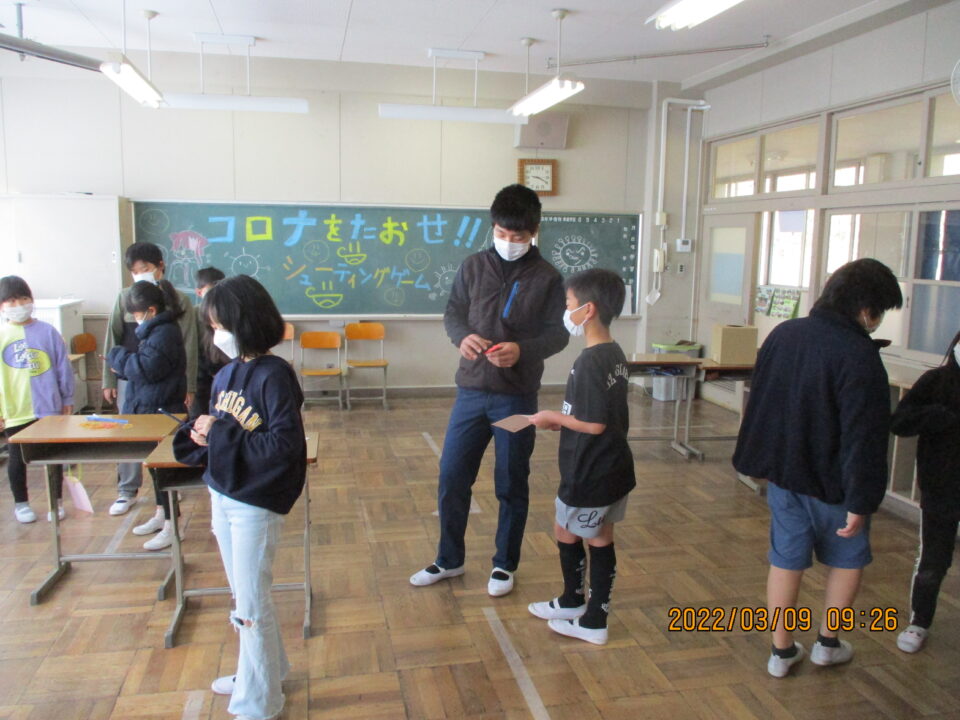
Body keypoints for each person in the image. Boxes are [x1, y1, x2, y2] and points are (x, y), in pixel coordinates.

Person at [733, 258, 903, 678]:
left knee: (785, 560)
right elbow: (865, 437)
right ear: (866, 309)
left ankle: (781, 651)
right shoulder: (860, 355)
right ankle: (828, 644)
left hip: (786, 478)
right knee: (847, 560)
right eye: (880, 312)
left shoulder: (784, 334)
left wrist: (757, 462)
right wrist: (862, 500)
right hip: (838, 487)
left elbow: (762, 404)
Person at [410, 184, 569, 597]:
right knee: (452, 476)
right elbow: (453, 313)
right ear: (493, 227)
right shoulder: (473, 266)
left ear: (534, 231)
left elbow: (558, 334)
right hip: (470, 394)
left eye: (518, 236)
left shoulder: (548, 277)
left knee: (511, 480)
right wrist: (461, 337)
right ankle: (449, 559)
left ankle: (504, 564)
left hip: (515, 398)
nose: (509, 242)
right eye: (501, 233)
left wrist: (523, 351)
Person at [173, 275, 305, 720]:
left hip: (256, 502)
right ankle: (262, 670)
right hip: (223, 493)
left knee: (251, 603)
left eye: (221, 326)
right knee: (245, 596)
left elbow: (283, 447)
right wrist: (200, 433)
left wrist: (220, 432)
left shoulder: (275, 375)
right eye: (212, 327)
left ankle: (259, 702)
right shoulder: (226, 373)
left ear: (244, 322)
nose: (217, 335)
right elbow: (222, 433)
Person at [527, 269, 635, 645]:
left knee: (598, 537)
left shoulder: (590, 361)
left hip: (592, 469)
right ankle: (572, 600)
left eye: (569, 304)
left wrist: (553, 418)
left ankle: (594, 620)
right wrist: (566, 421)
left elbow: (594, 424)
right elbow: (595, 414)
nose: (565, 310)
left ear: (587, 310)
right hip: (609, 465)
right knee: (566, 529)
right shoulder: (613, 352)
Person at [102, 242, 197, 516]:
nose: (139, 274)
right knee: (128, 435)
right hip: (129, 378)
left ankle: (166, 493)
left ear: (160, 266)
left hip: (164, 382)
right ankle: (127, 490)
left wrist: (189, 384)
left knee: (165, 436)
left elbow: (189, 344)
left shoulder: (179, 299)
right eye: (134, 271)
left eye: (145, 268)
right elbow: (112, 339)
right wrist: (109, 380)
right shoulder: (125, 297)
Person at [889, 329, 960, 654]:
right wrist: (934, 416)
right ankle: (919, 621)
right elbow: (900, 422)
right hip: (941, 487)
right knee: (933, 559)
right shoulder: (936, 381)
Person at [106, 280, 187, 551]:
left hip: (161, 410)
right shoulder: (156, 330)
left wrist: (118, 357)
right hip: (152, 407)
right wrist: (124, 364)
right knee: (156, 468)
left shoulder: (164, 332)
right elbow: (144, 368)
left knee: (164, 469)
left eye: (137, 314)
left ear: (151, 310)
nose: (134, 319)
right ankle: (162, 514)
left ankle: (172, 526)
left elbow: (147, 369)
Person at [0, 276, 74, 523]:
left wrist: (67, 397)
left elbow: (63, 367)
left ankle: (56, 502)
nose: (18, 305)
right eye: (11, 301)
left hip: (48, 406)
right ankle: (21, 504)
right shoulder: (2, 334)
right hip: (15, 408)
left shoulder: (48, 331)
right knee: (16, 457)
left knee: (52, 457)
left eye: (23, 299)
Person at [190, 266, 229, 419]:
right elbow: (192, 348)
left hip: (226, 374)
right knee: (200, 419)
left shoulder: (229, 312)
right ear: (199, 292)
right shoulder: (194, 314)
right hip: (201, 379)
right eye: (210, 291)